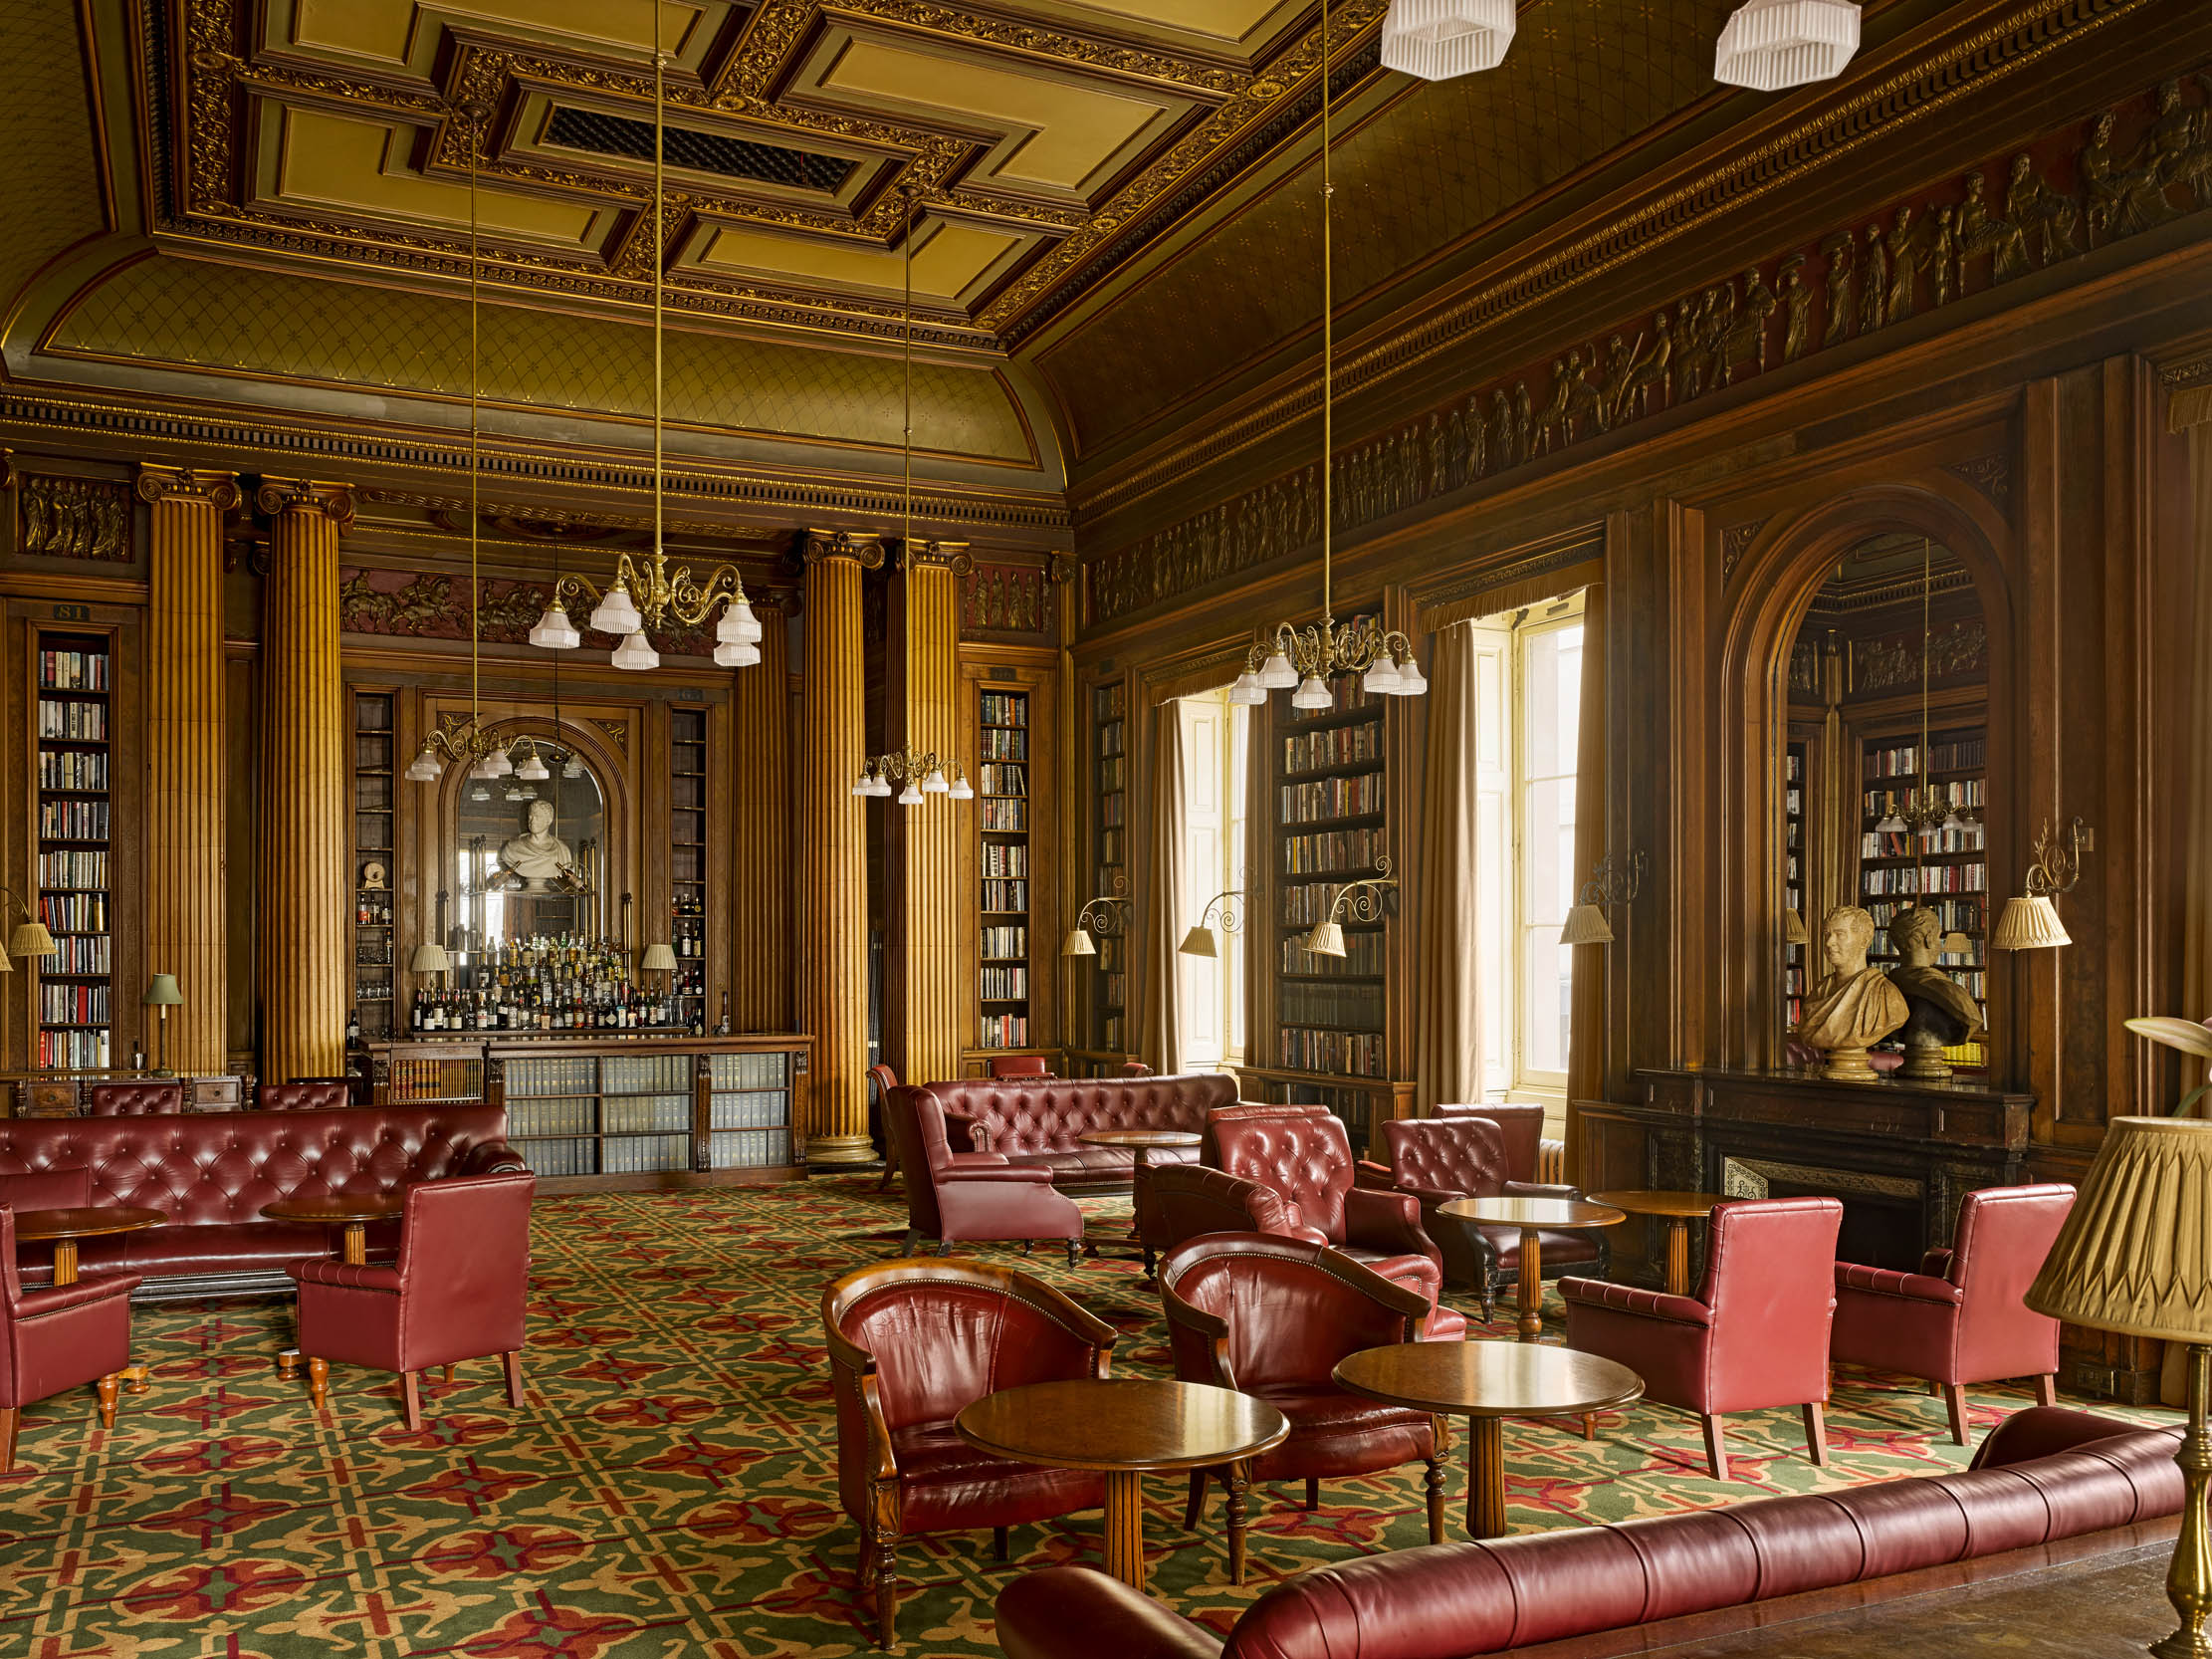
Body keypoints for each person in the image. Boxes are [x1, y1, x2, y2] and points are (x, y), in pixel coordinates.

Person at [1795, 904, 1908, 1080]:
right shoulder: (1819, 992)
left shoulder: (1886, 996)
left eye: (1840, 934)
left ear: (1864, 941)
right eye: (1827, 934)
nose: (1829, 942)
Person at [1886, 904, 1985, 1079]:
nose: (1939, 943)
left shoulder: (1886, 986)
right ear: (1928, 939)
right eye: (1938, 937)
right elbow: (1971, 1018)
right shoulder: (1948, 992)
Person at [498, 798, 576, 892]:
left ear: (549, 820)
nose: (532, 821)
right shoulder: (512, 848)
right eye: (530, 817)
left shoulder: (562, 851)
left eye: (538, 817)